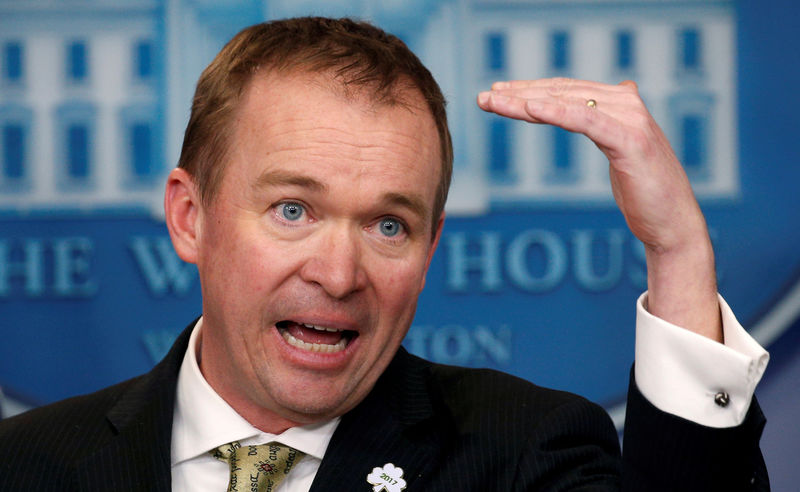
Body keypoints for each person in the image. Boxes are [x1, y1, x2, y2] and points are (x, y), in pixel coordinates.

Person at [0, 17, 769, 491]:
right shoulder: (25, 467)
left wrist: (677, 253)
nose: (338, 275)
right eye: (293, 210)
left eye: (389, 226)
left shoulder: (526, 457)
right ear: (190, 217)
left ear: (431, 248)